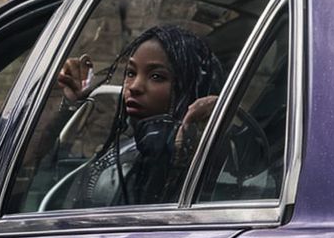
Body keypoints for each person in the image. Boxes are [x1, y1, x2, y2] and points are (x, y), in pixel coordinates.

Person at [45, 23, 222, 209]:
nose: (134, 86)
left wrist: (220, 118)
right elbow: (40, 168)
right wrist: (67, 104)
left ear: (191, 87)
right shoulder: (124, 150)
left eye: (156, 77)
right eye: (130, 73)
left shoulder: (214, 153)